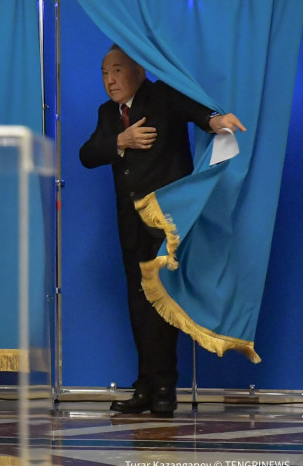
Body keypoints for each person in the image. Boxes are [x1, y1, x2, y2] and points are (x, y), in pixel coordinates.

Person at [79, 45, 245, 416]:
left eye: (117, 70)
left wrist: (216, 121)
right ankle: (146, 388)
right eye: (104, 73)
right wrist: (120, 141)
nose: (110, 80)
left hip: (167, 223)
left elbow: (198, 114)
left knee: (162, 303)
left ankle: (165, 388)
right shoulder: (108, 113)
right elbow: (87, 154)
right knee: (138, 304)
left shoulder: (163, 95)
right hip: (129, 224)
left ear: (139, 70)